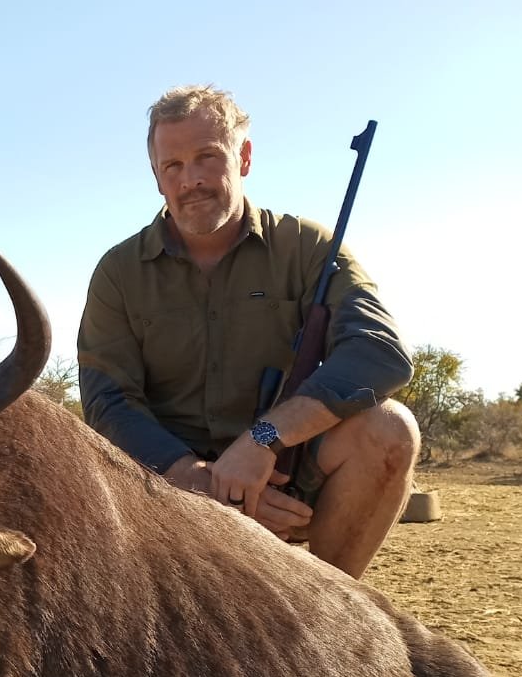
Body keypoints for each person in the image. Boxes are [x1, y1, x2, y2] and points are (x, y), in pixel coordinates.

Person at [77, 84, 417, 579]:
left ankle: (330, 608)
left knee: (389, 430)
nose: (190, 179)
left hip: (283, 474)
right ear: (156, 177)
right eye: (172, 166)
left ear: (245, 157)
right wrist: (197, 481)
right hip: (166, 484)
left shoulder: (306, 246)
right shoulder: (118, 271)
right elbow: (108, 399)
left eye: (207, 157)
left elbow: (379, 351)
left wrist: (263, 440)